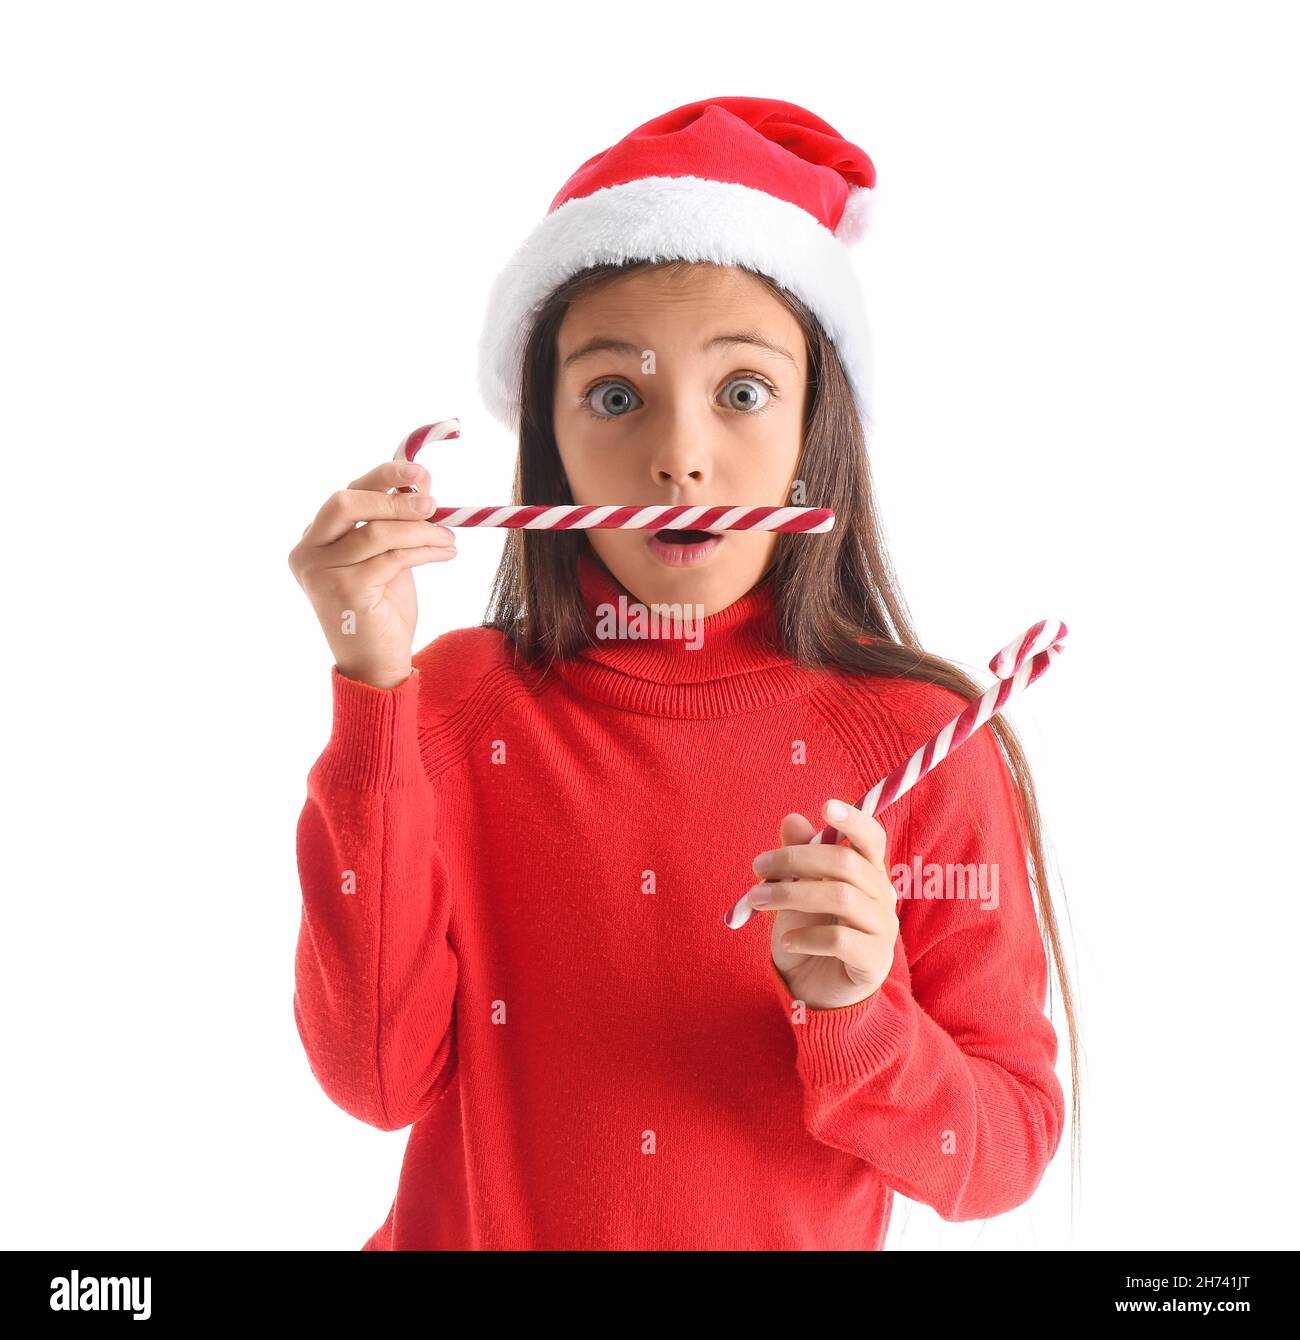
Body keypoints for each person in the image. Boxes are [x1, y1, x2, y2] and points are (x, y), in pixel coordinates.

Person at [286, 95, 1079, 1251]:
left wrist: (860, 1012)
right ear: (550, 441)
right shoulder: (455, 703)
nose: (680, 452)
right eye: (615, 395)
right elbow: (373, 1079)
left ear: (818, 425)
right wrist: (369, 687)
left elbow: (998, 1156)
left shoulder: (920, 748)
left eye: (743, 390)